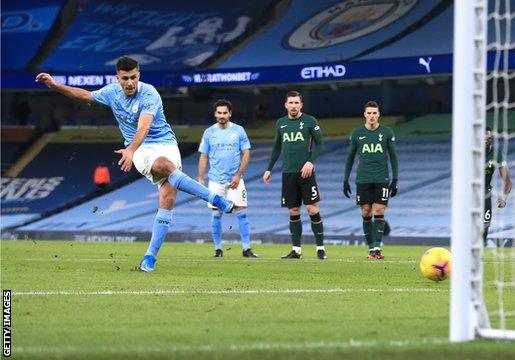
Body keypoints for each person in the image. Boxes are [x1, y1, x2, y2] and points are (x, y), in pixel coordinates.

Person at [35, 55, 234, 272]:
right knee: (166, 166)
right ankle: (215, 198)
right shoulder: (111, 93)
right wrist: (54, 85)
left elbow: (144, 126)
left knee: (167, 199)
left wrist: (129, 149)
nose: (130, 82)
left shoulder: (149, 93)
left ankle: (149, 258)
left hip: (164, 143)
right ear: (117, 78)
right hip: (140, 149)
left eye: (133, 77)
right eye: (125, 78)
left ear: (139, 75)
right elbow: (84, 95)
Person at [262, 91, 326, 259]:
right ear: (286, 105)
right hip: (288, 173)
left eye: (296, 103)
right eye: (291, 102)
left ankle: (320, 248)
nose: (293, 106)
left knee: (312, 209)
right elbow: (277, 147)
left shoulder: (310, 121)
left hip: (305, 173)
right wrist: (269, 168)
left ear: (301, 105)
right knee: (293, 211)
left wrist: (310, 161)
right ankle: (296, 250)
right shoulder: (281, 123)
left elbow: (319, 145)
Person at [198, 99, 256, 258]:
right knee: (216, 213)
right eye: (219, 113)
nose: (222, 115)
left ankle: (246, 249)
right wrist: (201, 178)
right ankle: (218, 249)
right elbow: (204, 156)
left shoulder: (238, 131)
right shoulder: (209, 132)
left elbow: (246, 153)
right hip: (215, 180)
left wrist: (238, 175)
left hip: (235, 181)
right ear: (215, 114)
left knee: (242, 212)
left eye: (225, 113)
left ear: (230, 113)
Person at [343, 101, 398, 259]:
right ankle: (371, 248)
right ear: (365, 114)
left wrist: (395, 179)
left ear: (378, 114)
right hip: (363, 178)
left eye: (375, 113)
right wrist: (345, 180)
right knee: (366, 211)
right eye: (369, 113)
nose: (372, 116)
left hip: (382, 178)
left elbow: (393, 157)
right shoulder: (357, 133)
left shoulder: (387, 132)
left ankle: (377, 249)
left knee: (379, 210)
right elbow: (350, 158)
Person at [483, 126, 512, 247]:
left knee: (485, 224)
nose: (485, 141)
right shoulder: (469, 152)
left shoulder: (497, 154)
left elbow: (507, 180)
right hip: (469, 194)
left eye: (488, 139)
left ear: (492, 139)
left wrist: (504, 197)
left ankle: (481, 246)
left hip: (485, 193)